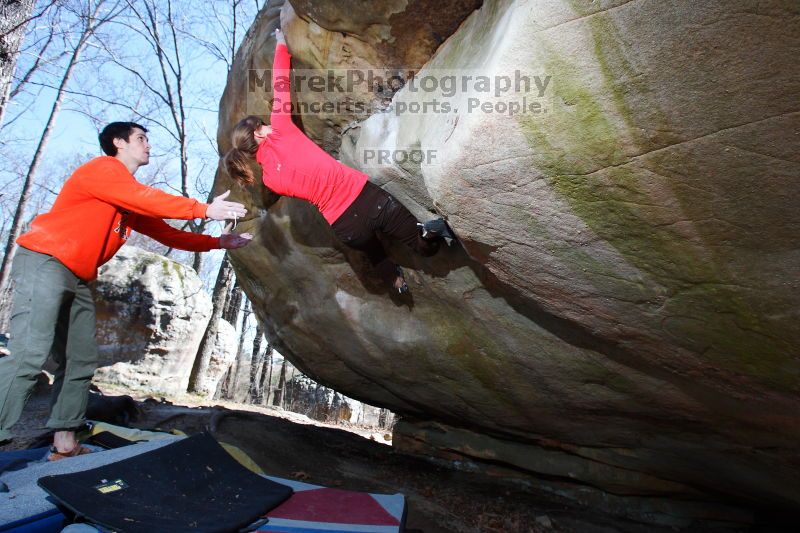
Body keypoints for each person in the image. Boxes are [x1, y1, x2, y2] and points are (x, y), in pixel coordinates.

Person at [0, 122, 253, 460]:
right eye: (140, 138)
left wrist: (218, 242)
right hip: (46, 261)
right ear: (118, 143)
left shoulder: (127, 197)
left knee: (80, 359)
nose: (147, 145)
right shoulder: (103, 170)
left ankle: (64, 444)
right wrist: (202, 209)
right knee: (30, 354)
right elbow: (143, 198)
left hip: (79, 277)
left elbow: (168, 234)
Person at [223, 29, 453, 294]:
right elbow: (281, 84)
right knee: (421, 245)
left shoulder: (271, 181)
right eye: (262, 124)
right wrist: (282, 43)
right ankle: (428, 235)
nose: (266, 125)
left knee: (373, 252)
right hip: (368, 200)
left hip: (346, 228)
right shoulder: (282, 128)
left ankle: (395, 281)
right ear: (258, 133)